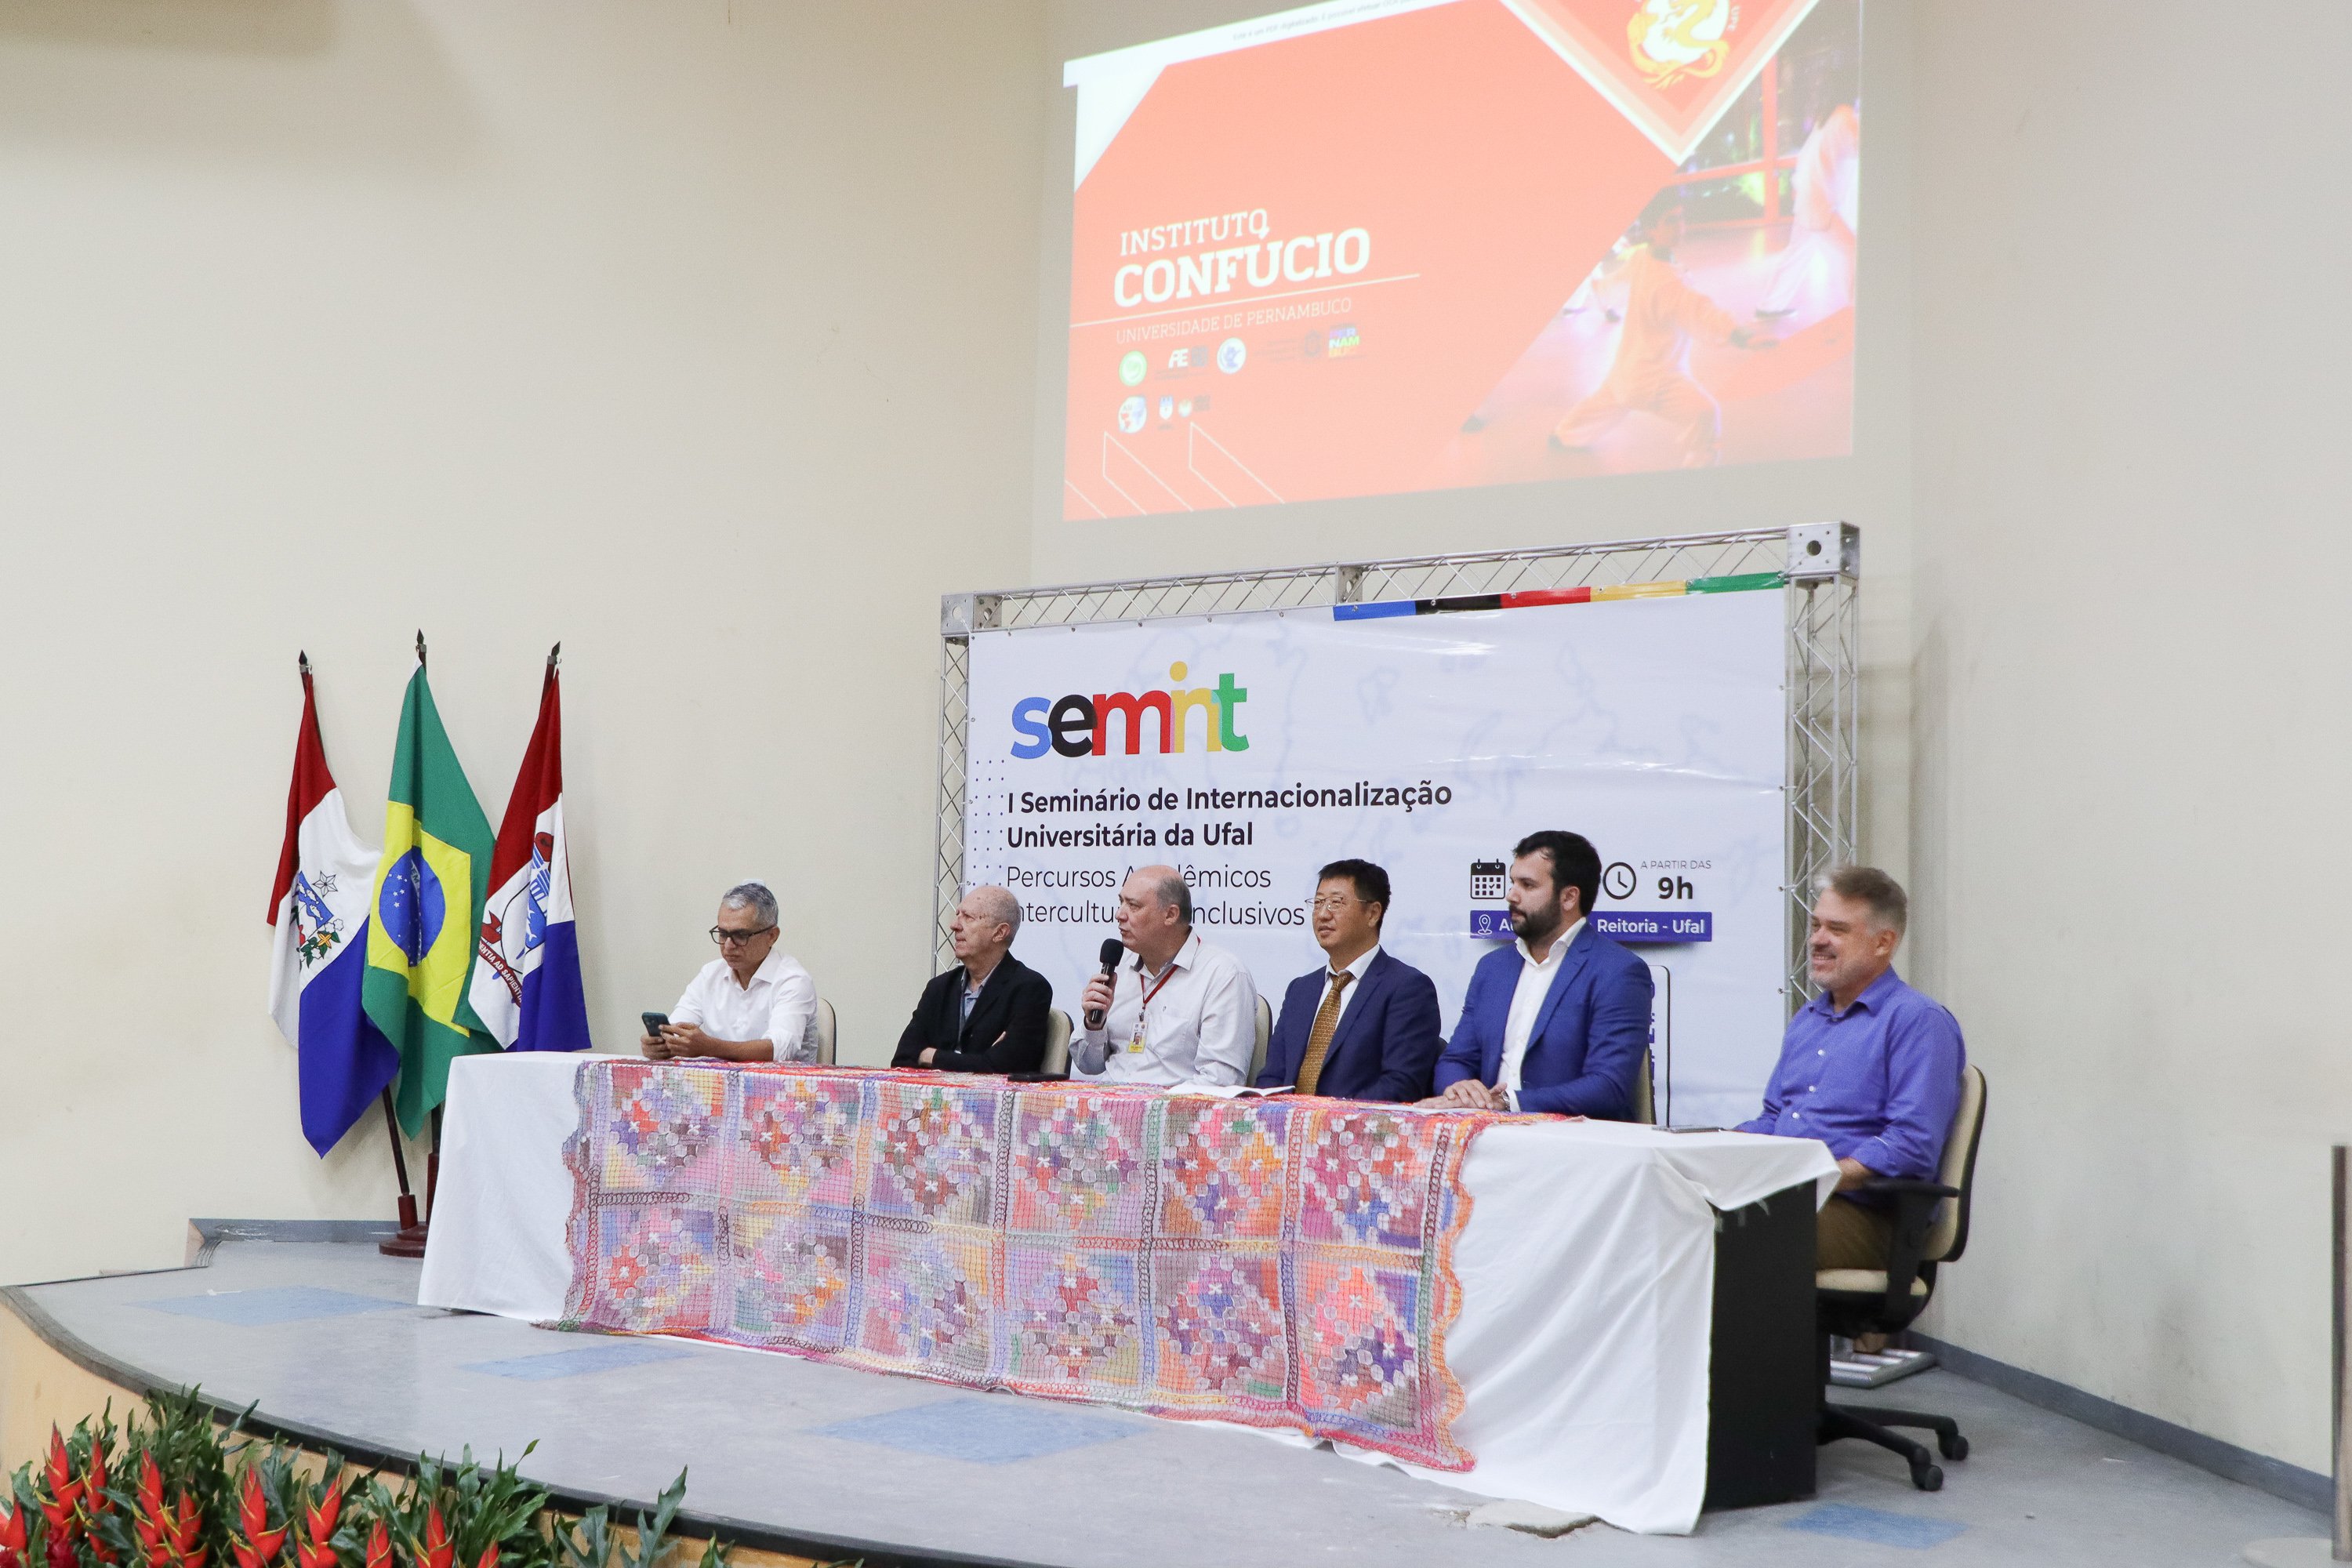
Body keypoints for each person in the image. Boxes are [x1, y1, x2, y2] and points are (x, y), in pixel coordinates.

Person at [1737, 867, 1966, 1272]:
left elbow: (1911, 1143)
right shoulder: (1808, 1020)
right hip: (1793, 1199)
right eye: (1816, 926)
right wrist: (1711, 1148)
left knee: (1742, 1232)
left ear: (1883, 943)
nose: (1817, 940)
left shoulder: (1918, 1021)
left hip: (1868, 1217)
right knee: (1687, 1214)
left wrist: (1818, 1176)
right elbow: (1773, 1119)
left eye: (1837, 929)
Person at [1428, 831, 1653, 1117]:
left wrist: (1509, 1102)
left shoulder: (1618, 972)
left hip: (1571, 1138)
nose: (1511, 895)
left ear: (1568, 897)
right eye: (1513, 882)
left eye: (1528, 885)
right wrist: (1460, 1089)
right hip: (1484, 1131)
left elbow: (1608, 1087)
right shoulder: (1492, 968)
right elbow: (1455, 1060)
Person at [1551, 194, 1774, 468]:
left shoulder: (1642, 257)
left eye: (1681, 219)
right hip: (1656, 380)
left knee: (1604, 403)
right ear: (1651, 230)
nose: (1680, 227)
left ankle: (1564, 436)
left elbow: (1611, 287)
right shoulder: (1668, 282)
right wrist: (1743, 336)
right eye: (1670, 221)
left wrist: (1593, 283)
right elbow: (1701, 311)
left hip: (1627, 368)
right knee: (1705, 413)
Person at [1255, 859, 1442, 1102]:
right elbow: (1271, 1078)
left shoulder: (1407, 988)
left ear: (1373, 914)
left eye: (1336, 903)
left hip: (1359, 1124)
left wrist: (1328, 1116)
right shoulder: (1300, 990)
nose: (1323, 914)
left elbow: (1401, 1085)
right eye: (1318, 903)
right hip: (1288, 1122)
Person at [1073, 866, 1257, 1087]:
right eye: (1121, 902)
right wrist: (1094, 1026)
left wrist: (1149, 1104)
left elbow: (1220, 1081)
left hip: (1174, 1106)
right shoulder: (1118, 969)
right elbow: (1088, 1065)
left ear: (1170, 915)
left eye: (1133, 906)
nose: (1119, 914)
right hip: (1107, 1102)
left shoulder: (1222, 974)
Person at [641, 881, 821, 1063]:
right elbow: (676, 1029)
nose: (728, 945)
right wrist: (661, 1044)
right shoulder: (710, 974)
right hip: (716, 1081)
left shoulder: (793, 980)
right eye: (723, 934)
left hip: (783, 1081)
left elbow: (780, 1050)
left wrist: (710, 1048)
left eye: (741, 935)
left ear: (772, 936)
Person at [891, 885, 1052, 1074]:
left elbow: (1002, 1067)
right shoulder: (939, 987)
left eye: (968, 917)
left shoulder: (1029, 989)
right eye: (957, 915)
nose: (954, 925)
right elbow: (902, 1059)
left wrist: (931, 1056)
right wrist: (977, 1060)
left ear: (1000, 933)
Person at [1756, 102, 1860, 320]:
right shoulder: (1846, 118)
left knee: (1796, 256)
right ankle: (1857, 310)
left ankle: (1769, 307)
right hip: (1821, 206)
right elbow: (1862, 149)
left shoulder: (1827, 117)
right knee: (1852, 253)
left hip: (1809, 199)